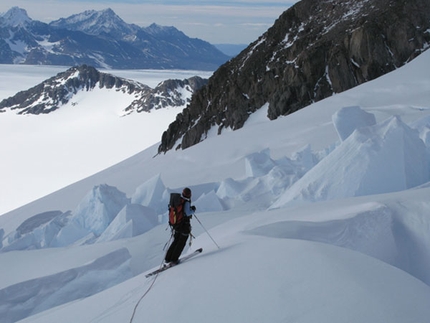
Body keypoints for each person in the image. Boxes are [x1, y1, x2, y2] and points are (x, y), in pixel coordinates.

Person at [164, 187, 196, 265]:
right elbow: (187, 213)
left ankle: (168, 258)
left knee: (176, 240)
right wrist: (193, 210)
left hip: (176, 225)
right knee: (181, 242)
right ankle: (174, 259)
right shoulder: (186, 202)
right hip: (183, 225)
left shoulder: (178, 201)